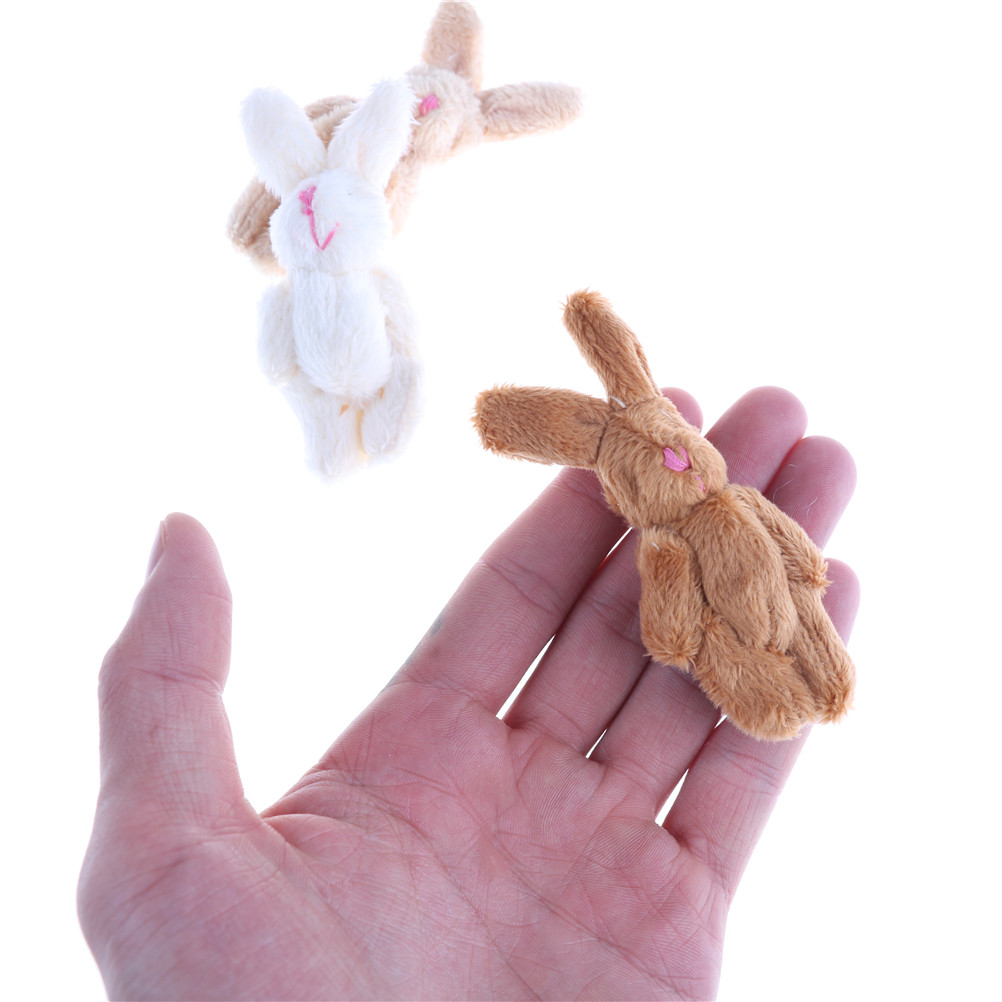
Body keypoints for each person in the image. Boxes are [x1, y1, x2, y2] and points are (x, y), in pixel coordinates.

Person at [78, 386, 858, 1001]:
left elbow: (797, 559)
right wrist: (674, 587)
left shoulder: (737, 505)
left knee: (818, 645)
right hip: (731, 640)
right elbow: (675, 636)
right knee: (763, 687)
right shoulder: (664, 550)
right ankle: (790, 686)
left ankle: (821, 675)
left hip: (777, 601)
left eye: (680, 454)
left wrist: (799, 565)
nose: (679, 465)